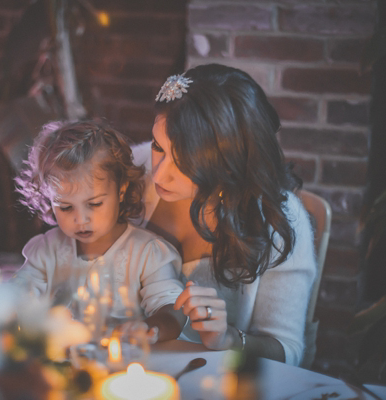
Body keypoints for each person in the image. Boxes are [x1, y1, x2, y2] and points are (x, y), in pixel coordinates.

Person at [132, 63, 316, 366]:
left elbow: (287, 350)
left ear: (229, 163)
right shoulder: (135, 171)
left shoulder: (277, 220)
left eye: (184, 162)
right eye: (158, 146)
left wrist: (230, 338)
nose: (159, 175)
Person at [14, 120, 186, 342]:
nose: (81, 219)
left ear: (121, 191)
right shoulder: (48, 250)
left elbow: (171, 308)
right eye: (65, 207)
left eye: (94, 204)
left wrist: (149, 330)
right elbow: (17, 292)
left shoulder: (147, 254)